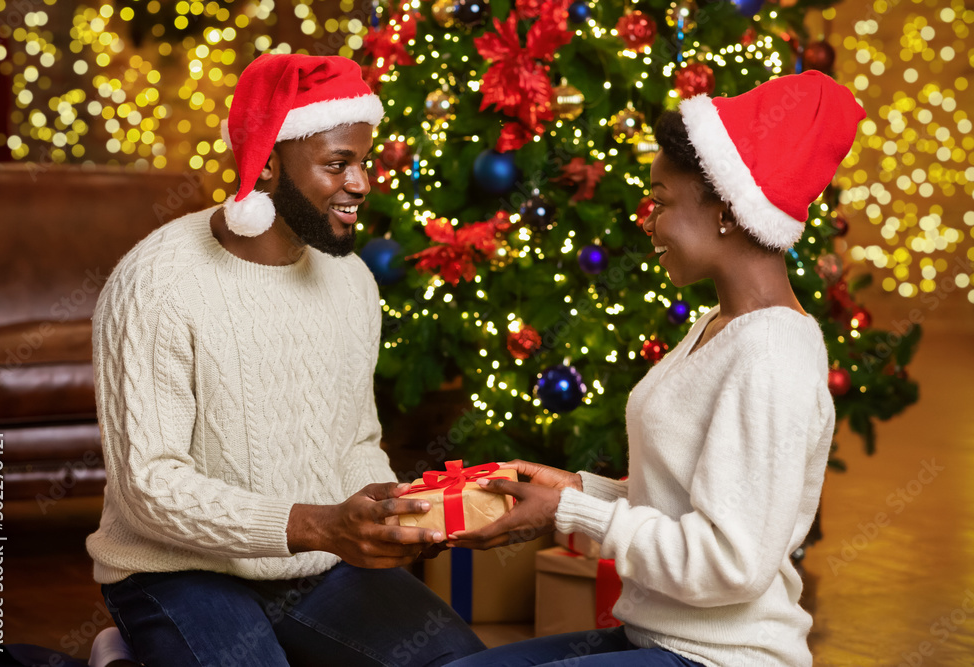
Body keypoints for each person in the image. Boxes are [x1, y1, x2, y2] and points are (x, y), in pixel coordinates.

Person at [443, 71, 866, 667]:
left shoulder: (772, 350)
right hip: (656, 639)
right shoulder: (719, 325)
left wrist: (569, 514)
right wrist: (574, 489)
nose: (647, 222)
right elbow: (686, 504)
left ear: (724, 208)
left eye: (661, 202)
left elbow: (731, 563)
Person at [85, 54, 485, 667]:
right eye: (337, 164)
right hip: (178, 568)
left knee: (461, 663)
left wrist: (384, 512)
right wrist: (315, 525)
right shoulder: (156, 285)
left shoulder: (351, 280)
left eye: (364, 162)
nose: (362, 183)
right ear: (266, 164)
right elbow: (149, 488)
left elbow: (355, 438)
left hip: (315, 558)